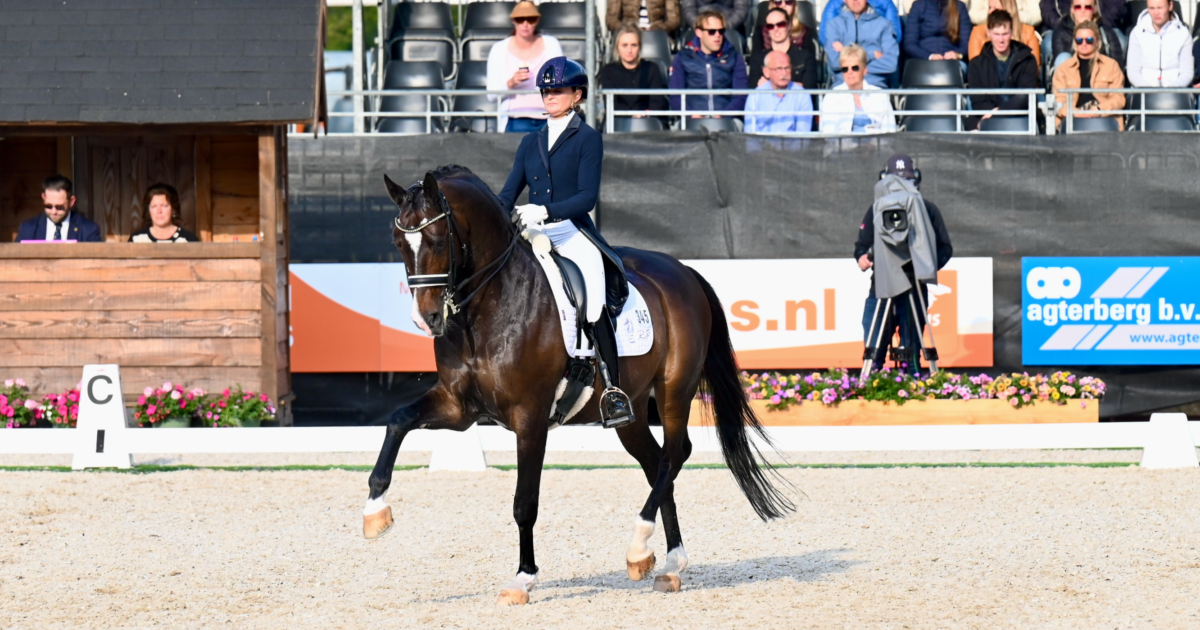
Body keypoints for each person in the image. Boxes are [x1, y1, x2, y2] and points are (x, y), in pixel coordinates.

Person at [496, 57, 633, 428]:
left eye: (557, 90)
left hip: (572, 232)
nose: (550, 95)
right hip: (535, 233)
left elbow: (586, 198)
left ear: (577, 95)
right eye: (545, 90)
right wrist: (496, 217)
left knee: (592, 301)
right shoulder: (530, 141)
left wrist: (544, 209)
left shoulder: (587, 138)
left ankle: (613, 392)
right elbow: (508, 194)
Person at [854, 154, 952, 375]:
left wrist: (926, 264)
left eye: (905, 181)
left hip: (913, 285)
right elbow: (862, 246)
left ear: (915, 181)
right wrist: (863, 257)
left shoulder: (928, 209)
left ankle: (912, 384)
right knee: (873, 347)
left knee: (912, 353)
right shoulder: (875, 210)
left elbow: (945, 248)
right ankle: (871, 384)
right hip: (881, 286)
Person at [486, 1, 563, 133]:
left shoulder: (551, 44)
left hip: (549, 118)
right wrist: (511, 83)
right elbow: (491, 95)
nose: (525, 24)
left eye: (530, 19)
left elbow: (562, 83)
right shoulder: (499, 49)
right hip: (515, 119)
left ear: (537, 20)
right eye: (520, 19)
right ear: (513, 21)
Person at [967, 10, 1041, 130]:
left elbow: (1025, 97)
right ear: (989, 33)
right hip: (987, 116)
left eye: (1005, 34)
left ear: (1011, 32)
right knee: (970, 123)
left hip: (1019, 117)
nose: (1001, 40)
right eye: (996, 34)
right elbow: (978, 102)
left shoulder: (1027, 59)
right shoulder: (976, 65)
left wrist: (998, 112)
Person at [669, 11, 749, 116]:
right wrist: (691, 115)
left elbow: (741, 95)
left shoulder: (734, 57)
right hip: (691, 121)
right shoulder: (683, 57)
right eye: (712, 31)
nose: (718, 35)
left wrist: (724, 115)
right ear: (699, 33)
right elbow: (675, 96)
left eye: (721, 31)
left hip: (727, 121)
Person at [1053, 20, 1126, 130]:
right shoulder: (1064, 69)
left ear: (1097, 41)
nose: (1084, 44)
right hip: (1073, 119)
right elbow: (1059, 101)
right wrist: (1074, 112)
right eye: (1079, 40)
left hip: (1105, 119)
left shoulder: (1111, 65)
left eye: (1089, 40)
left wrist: (1098, 110)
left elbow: (1118, 98)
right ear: (1074, 42)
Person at [818, 44, 897, 133]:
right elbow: (829, 134)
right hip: (844, 145)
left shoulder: (879, 95)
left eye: (855, 68)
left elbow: (890, 132)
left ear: (865, 70)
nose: (850, 72)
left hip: (875, 145)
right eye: (845, 69)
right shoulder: (832, 97)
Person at [821, 0, 900, 88]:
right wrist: (871, 55)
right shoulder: (833, 25)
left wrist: (844, 52)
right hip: (842, 88)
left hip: (874, 88)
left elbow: (891, 63)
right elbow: (835, 63)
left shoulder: (885, 25)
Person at [600, 25, 669, 117]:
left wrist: (644, 114)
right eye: (624, 45)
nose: (629, 50)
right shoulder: (608, 71)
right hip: (619, 123)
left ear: (639, 47)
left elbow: (658, 102)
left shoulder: (652, 68)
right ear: (617, 48)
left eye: (634, 45)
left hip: (648, 122)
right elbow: (611, 105)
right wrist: (632, 115)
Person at [1125, 0, 1193, 87]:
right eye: (1152, 8)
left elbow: (1187, 73)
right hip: (1142, 93)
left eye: (1160, 8)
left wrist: (1171, 90)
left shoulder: (1184, 34)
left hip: (1175, 93)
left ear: (1170, 6)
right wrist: (1148, 90)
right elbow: (1133, 71)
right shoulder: (1137, 33)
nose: (1156, 13)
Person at [16, 175, 102, 242]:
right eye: (49, 206)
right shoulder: (28, 228)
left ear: (71, 201)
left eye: (60, 207)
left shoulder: (88, 229)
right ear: (43, 197)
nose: (54, 212)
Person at [747, 7, 818, 89]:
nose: (775, 29)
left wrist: (769, 85)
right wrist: (796, 86)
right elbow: (753, 90)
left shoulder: (806, 58)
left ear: (789, 25)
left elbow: (809, 91)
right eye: (770, 26)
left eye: (781, 24)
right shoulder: (758, 60)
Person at [745, 50, 814, 132]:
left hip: (792, 143)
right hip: (763, 144)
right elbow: (750, 134)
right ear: (766, 72)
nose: (784, 73)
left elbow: (803, 135)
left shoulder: (802, 95)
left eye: (787, 68)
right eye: (778, 69)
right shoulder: (755, 96)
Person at [1049, 0, 1123, 71]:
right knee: (1063, 58)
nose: (1082, 11)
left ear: (1095, 9)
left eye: (1087, 7)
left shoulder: (1106, 32)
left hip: (1102, 78)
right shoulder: (1061, 32)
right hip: (1071, 78)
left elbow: (1117, 67)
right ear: (1072, 9)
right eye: (1078, 7)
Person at [968, 0, 1042, 67]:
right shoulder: (978, 33)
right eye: (990, 8)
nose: (990, 12)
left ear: (1008, 10)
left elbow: (1034, 68)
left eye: (995, 9)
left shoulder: (1028, 33)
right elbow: (975, 68)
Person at [905, 0, 972, 62]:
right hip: (922, 60)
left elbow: (967, 44)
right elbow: (909, 44)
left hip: (952, 61)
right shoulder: (918, 6)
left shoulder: (960, 7)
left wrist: (957, 54)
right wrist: (929, 56)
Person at [128, 184, 199, 243]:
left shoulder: (188, 239)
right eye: (154, 206)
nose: (159, 211)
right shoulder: (137, 239)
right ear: (148, 210)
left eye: (164, 206)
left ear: (173, 209)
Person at [820, 0, 903, 49]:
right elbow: (825, 37)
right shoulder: (833, 4)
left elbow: (894, 36)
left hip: (877, 54)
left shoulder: (886, 3)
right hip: (844, 56)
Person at [1041, 0, 1126, 31]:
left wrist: (1099, 23)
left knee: (1121, 42)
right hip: (1063, 27)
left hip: (1101, 26)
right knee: (1049, 45)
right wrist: (1062, 25)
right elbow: (1046, 7)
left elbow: (1118, 6)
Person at [606, 0, 681, 32]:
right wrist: (628, 29)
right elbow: (611, 19)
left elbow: (674, 20)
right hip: (628, 32)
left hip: (656, 35)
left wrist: (658, 28)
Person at [681, 0, 751, 31]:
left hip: (730, 28)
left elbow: (741, 9)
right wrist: (700, 26)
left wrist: (724, 27)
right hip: (700, 27)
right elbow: (688, 10)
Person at [969, 0, 1041, 28]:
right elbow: (972, 13)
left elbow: (1037, 13)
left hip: (1020, 27)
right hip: (988, 27)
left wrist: (1013, 15)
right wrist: (993, 14)